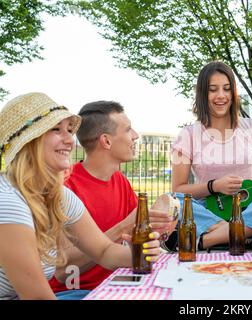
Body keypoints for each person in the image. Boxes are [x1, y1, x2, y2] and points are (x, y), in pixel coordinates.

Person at [0, 93, 161, 300]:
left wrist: (142, 254)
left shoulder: (58, 196)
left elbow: (104, 252)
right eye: (56, 130)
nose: (69, 140)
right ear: (28, 141)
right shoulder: (8, 201)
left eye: (69, 130)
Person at [169, 61, 252, 250]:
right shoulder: (188, 134)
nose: (221, 96)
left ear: (234, 93)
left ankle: (207, 240)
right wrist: (214, 186)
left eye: (227, 89)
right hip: (208, 210)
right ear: (203, 94)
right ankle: (242, 234)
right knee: (173, 201)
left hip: (248, 208)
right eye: (213, 89)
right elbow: (178, 189)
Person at [47, 101, 170, 296]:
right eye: (128, 130)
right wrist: (124, 226)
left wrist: (158, 232)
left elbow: (133, 239)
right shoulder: (65, 187)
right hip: (74, 292)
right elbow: (62, 270)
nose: (136, 136)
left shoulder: (120, 180)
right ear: (106, 141)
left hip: (120, 281)